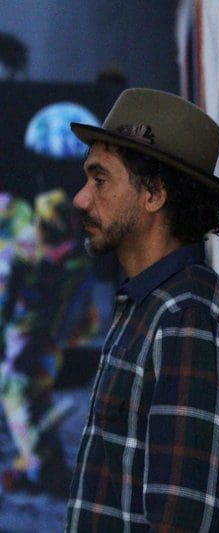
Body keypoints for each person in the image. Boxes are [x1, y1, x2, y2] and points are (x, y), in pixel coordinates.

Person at [64, 88, 219, 531]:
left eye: (100, 180)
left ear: (153, 194)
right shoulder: (150, 304)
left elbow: (183, 520)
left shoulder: (186, 317)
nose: (81, 199)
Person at [0, 188, 95, 494]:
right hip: (43, 338)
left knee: (21, 397)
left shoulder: (30, 253)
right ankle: (47, 466)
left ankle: (38, 468)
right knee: (35, 400)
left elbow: (6, 299)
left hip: (29, 338)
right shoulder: (71, 257)